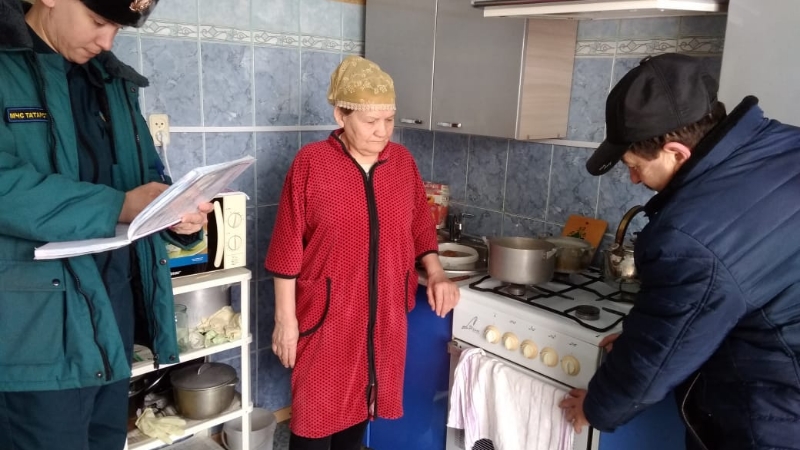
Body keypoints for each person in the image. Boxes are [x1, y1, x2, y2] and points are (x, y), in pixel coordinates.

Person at [558, 53, 800, 449]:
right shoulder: (781, 144)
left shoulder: (688, 236)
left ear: (677, 153)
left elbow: (656, 357)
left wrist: (596, 406)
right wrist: (657, 332)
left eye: (634, 165)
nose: (633, 178)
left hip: (776, 419)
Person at [0, 0, 212, 449]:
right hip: (35, 335)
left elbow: (146, 178)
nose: (107, 40)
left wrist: (177, 214)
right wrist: (120, 205)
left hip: (111, 318)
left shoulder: (112, 82)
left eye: (117, 27)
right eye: (98, 21)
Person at [265, 55, 460, 450]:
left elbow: (419, 225)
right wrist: (285, 320)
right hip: (327, 316)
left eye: (389, 120)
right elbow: (287, 248)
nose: (382, 131)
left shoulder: (402, 163)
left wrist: (436, 272)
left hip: (383, 318)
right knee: (313, 423)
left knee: (358, 414)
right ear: (341, 115)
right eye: (371, 121)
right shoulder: (311, 164)